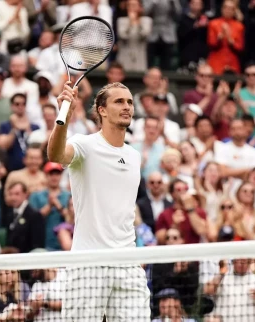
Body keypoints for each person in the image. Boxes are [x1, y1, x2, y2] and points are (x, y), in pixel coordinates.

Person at [47, 81, 151, 321]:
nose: (127, 107)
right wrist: (65, 116)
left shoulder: (134, 156)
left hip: (127, 263)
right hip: (88, 263)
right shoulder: (85, 145)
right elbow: (55, 154)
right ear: (102, 110)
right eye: (119, 101)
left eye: (130, 102)